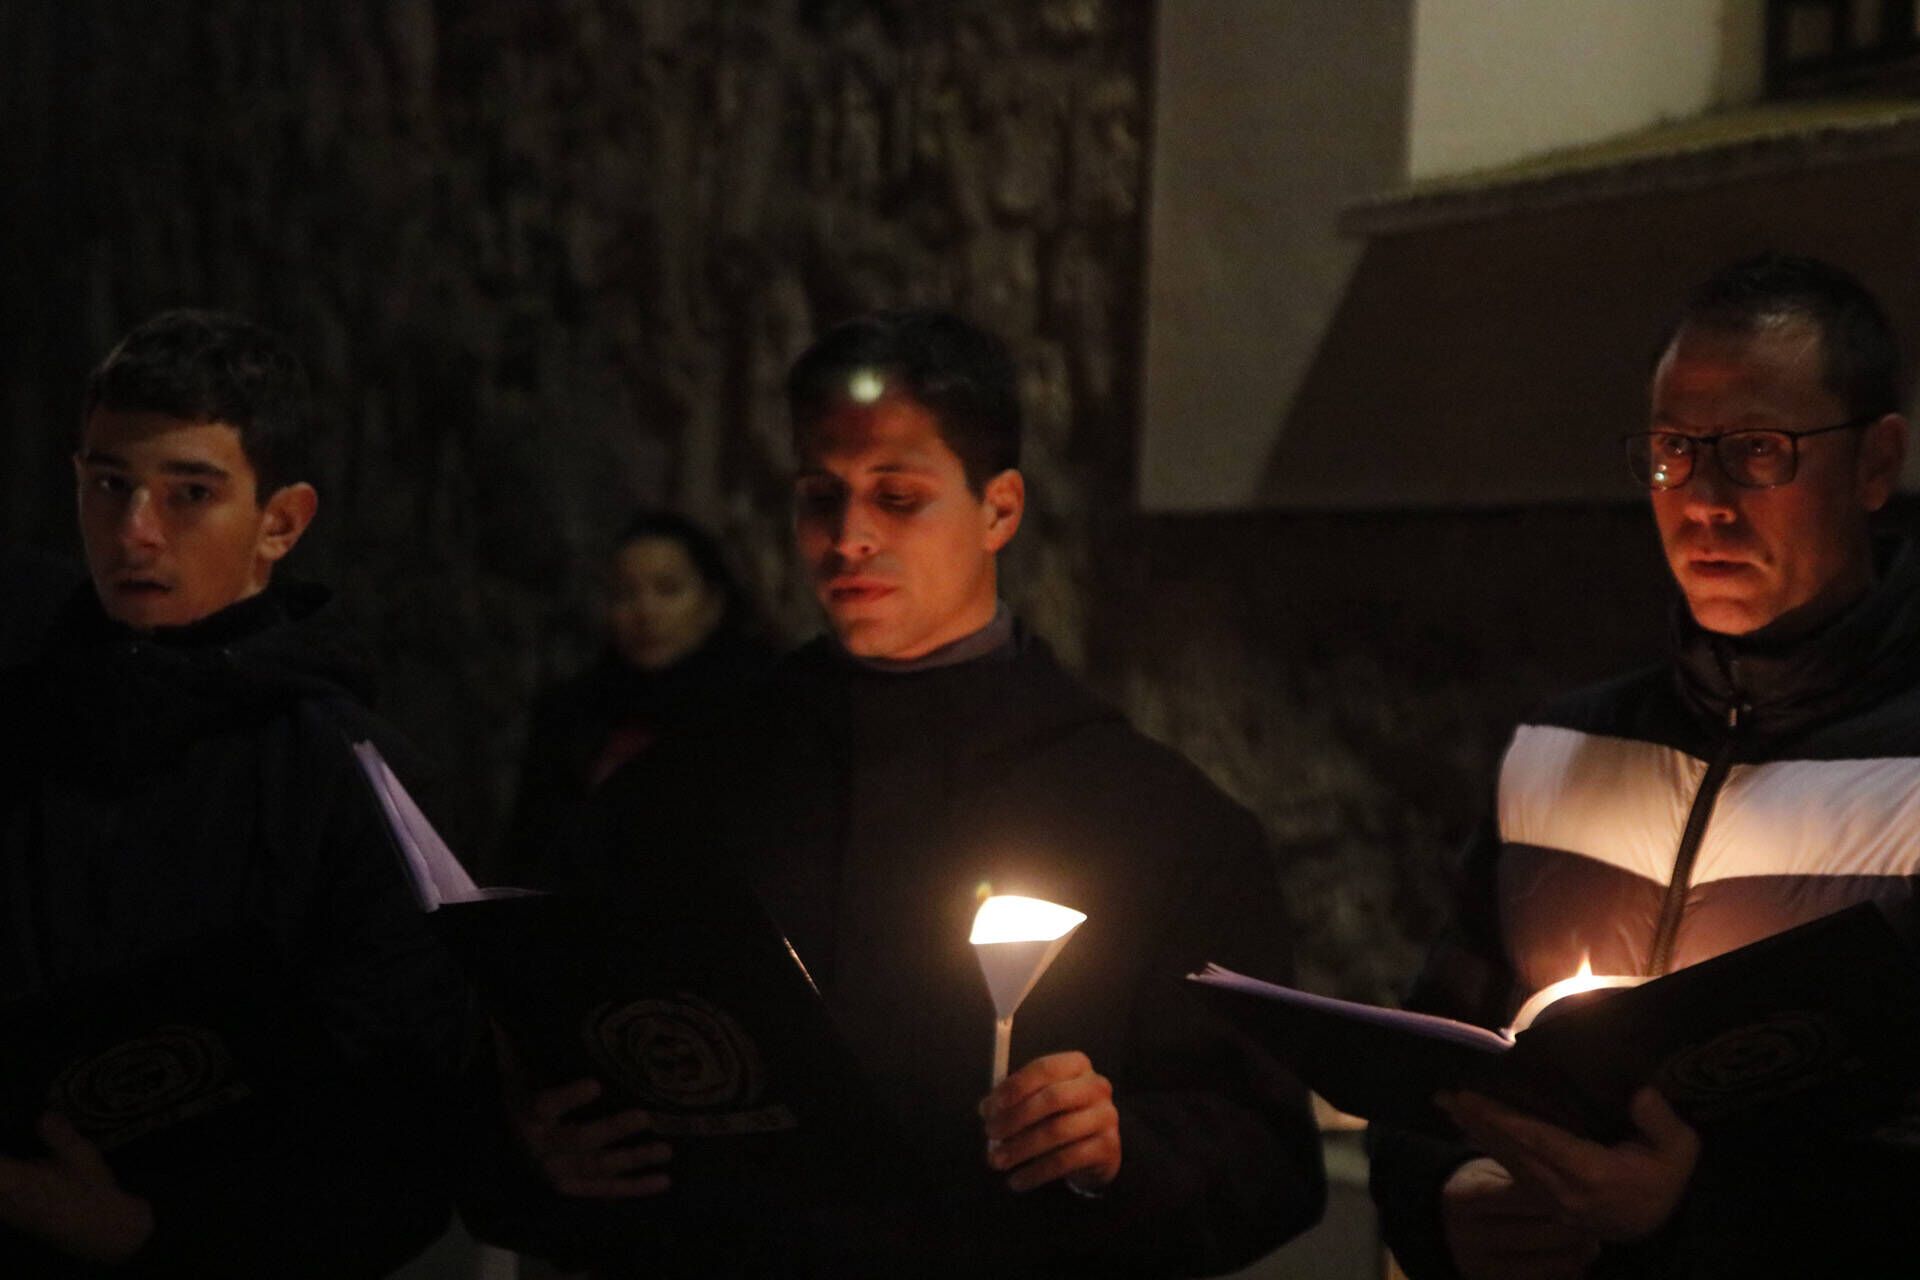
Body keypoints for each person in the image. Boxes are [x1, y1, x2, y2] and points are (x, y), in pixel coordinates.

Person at [481, 309, 1326, 1276]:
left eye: (899, 497)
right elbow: (537, 1055)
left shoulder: (1158, 822)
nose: (849, 539)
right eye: (819, 497)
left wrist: (1119, 1149)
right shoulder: (680, 791)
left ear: (999, 510)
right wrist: (542, 1151)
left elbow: (1264, 1153)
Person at [1368, 254, 1920, 1279]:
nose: (1702, 501)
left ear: (1875, 463)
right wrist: (1442, 1202)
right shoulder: (1562, 751)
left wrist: (1690, 1214)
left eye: (1757, 451)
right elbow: (1430, 1065)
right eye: (1674, 451)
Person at [0, 309, 468, 1276]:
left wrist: (148, 1236)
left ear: (281, 522)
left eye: (189, 494)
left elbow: (402, 1123)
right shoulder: (23, 722)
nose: (135, 532)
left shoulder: (348, 782)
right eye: (108, 485)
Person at [500, 510, 772, 886]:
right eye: (625, 594)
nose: (645, 612)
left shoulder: (758, 710)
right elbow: (530, 849)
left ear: (712, 603)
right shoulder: (573, 713)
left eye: (667, 589)